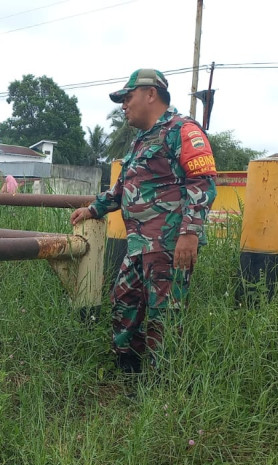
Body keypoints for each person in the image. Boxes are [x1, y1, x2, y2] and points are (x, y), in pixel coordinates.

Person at [71, 68, 217, 375]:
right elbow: (123, 188)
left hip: (169, 244)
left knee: (165, 314)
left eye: (128, 97)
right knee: (124, 301)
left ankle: (162, 383)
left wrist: (190, 233)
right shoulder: (141, 140)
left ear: (151, 94)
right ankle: (129, 372)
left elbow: (202, 182)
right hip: (138, 244)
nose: (124, 105)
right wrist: (93, 209)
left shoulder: (183, 130)